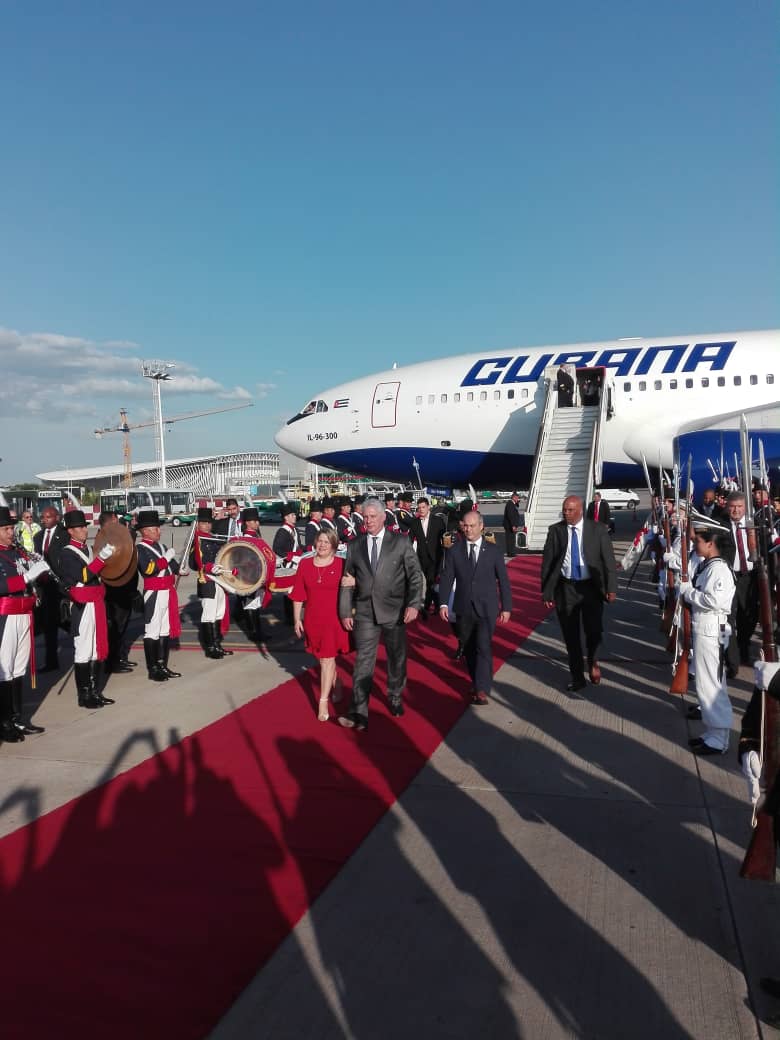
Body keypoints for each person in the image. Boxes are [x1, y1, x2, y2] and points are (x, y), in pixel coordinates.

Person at [337, 497, 424, 730]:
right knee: (363, 662)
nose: (369, 521)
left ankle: (395, 694)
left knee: (396, 657)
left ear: (384, 517)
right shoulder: (355, 545)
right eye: (365, 517)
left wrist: (414, 604)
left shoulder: (401, 542)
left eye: (373, 516)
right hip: (365, 611)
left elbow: (415, 576)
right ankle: (358, 712)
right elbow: (347, 580)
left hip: (395, 612)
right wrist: (345, 611)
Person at [541, 495, 617, 691]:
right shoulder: (555, 531)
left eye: (570, 510)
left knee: (593, 631)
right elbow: (547, 563)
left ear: (580, 510)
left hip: (591, 588)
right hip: (566, 588)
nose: (566, 513)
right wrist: (547, 592)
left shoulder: (598, 530)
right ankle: (577, 677)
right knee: (570, 636)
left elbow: (608, 562)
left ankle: (592, 660)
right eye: (564, 510)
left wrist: (611, 588)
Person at [438, 511, 512, 705]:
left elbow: (503, 581)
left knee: (483, 646)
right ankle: (477, 680)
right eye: (465, 526)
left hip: (487, 608)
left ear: (481, 526)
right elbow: (447, 578)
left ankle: (481, 688)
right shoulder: (455, 550)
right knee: (469, 649)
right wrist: (444, 603)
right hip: (464, 608)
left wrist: (506, 607)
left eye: (472, 526)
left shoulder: (494, 551)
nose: (468, 529)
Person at [678, 521, 736, 754]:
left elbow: (715, 601)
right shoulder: (708, 566)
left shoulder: (719, 569)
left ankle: (720, 739)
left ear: (711, 544)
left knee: (712, 685)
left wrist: (688, 593)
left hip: (712, 630)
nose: (694, 544)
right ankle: (713, 732)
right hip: (705, 629)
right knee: (705, 683)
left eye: (698, 541)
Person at [54, 509, 116, 709]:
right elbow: (82, 575)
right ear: (70, 531)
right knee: (83, 651)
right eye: (80, 528)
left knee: (96, 650)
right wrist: (101, 560)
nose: (84, 530)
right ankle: (84, 695)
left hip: (96, 603)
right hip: (82, 607)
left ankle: (96, 692)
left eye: (84, 526)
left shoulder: (88, 549)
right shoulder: (66, 553)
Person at [0, 505, 50, 740]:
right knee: (4, 671)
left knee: (19, 669)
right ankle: (4, 722)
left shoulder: (18, 552)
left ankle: (19, 719)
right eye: (7, 528)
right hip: (5, 617)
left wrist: (38, 569)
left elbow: (30, 579)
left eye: (12, 528)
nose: (12, 532)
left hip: (24, 614)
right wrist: (26, 577)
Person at [291, 529, 351, 721]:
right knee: (322, 658)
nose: (323, 545)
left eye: (327, 542)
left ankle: (322, 701)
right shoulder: (305, 564)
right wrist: (296, 619)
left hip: (334, 621)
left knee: (327, 659)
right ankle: (337, 682)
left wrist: (354, 582)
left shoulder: (342, 564)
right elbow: (298, 594)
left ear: (334, 545)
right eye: (320, 541)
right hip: (312, 619)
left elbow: (355, 589)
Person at [136, 509, 182, 681]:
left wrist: (180, 569)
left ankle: (162, 665)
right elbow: (149, 570)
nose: (159, 531)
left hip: (167, 592)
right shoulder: (140, 548)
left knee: (164, 630)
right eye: (155, 528)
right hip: (154, 594)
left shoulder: (162, 547)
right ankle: (153, 668)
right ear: (145, 531)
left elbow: (174, 567)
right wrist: (165, 559)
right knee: (152, 632)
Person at [189, 507, 233, 660]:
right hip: (207, 581)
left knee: (218, 613)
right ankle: (210, 648)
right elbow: (194, 563)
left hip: (220, 580)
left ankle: (217, 645)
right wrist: (208, 567)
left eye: (209, 523)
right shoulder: (196, 540)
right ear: (198, 524)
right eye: (204, 523)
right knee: (209, 615)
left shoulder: (213, 538)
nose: (207, 526)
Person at [99, 510, 138, 676]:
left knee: (122, 627)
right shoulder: (106, 539)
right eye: (116, 520)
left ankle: (121, 656)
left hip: (126, 589)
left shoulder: (116, 536)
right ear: (112, 520)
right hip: (115, 590)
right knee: (115, 628)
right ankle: (112, 661)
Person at [725, 490, 758, 673]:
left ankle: (743, 647)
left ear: (746, 508)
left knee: (749, 616)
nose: (736, 511)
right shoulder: (721, 526)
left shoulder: (754, 525)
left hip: (749, 577)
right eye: (732, 507)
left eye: (740, 507)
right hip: (729, 577)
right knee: (729, 618)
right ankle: (732, 660)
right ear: (727, 507)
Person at [235, 506, 276, 657]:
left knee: (255, 604)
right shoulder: (246, 539)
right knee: (250, 605)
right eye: (253, 521)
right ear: (247, 523)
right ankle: (253, 633)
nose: (256, 523)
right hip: (249, 576)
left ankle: (257, 631)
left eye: (257, 520)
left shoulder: (255, 537)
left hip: (257, 575)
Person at [33, 506, 65, 672]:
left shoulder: (64, 535)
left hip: (61, 589)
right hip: (45, 589)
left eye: (48, 517)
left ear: (56, 517)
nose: (44, 520)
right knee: (49, 627)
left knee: (68, 624)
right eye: (43, 517)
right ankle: (51, 661)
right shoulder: (37, 537)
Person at [410, 496, 445, 614]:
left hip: (436, 555)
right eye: (419, 508)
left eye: (423, 507)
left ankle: (427, 606)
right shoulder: (414, 522)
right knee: (430, 582)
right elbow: (409, 540)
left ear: (428, 507)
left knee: (431, 580)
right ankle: (437, 604)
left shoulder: (438, 520)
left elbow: (444, 537)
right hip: (422, 557)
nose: (421, 510)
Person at [502, 491, 523, 558]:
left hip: (510, 525)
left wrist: (516, 503)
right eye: (517, 498)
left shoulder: (512, 503)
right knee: (510, 539)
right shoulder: (510, 504)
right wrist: (513, 525)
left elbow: (516, 508)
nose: (518, 499)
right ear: (513, 497)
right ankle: (510, 553)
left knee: (512, 539)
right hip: (509, 525)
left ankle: (511, 552)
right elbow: (510, 515)